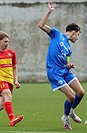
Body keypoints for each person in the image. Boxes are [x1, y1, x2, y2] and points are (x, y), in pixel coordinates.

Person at [38, 1, 85, 130]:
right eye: (78, 35)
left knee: (80, 92)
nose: (77, 38)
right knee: (70, 96)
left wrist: (69, 65)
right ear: (74, 31)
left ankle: (70, 111)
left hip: (65, 71)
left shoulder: (69, 48)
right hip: (54, 72)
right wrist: (49, 12)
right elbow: (41, 25)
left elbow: (66, 61)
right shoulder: (56, 34)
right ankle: (65, 117)